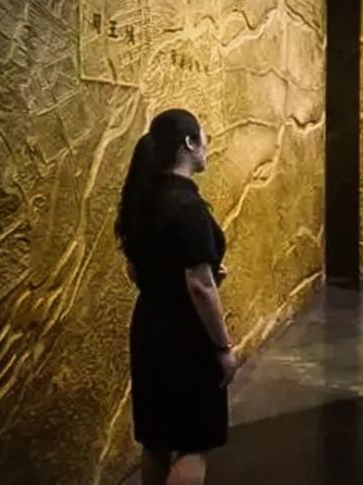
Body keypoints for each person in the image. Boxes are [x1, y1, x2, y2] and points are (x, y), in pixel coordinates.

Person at [115, 109, 235, 485]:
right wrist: (223, 348)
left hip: (148, 328)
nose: (208, 144)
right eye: (204, 136)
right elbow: (200, 286)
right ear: (189, 144)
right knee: (193, 443)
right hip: (186, 336)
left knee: (157, 441)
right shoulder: (187, 207)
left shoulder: (143, 201)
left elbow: (137, 270)